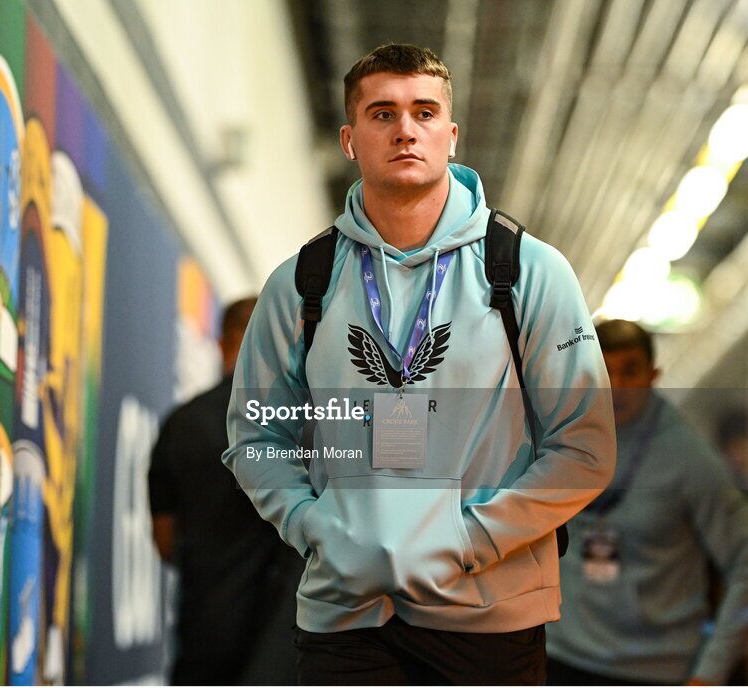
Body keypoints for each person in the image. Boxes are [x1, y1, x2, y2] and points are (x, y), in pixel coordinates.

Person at [223, 44, 616, 685]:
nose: (405, 129)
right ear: (350, 139)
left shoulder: (528, 272)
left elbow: (585, 447)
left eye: (423, 112)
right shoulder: (302, 282)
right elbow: (256, 433)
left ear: (451, 135)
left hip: (491, 616)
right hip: (346, 618)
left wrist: (470, 542)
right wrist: (310, 524)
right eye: (383, 114)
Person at [546, 319, 748, 686]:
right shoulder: (559, 436)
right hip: (560, 657)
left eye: (630, 371)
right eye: (604, 370)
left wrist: (710, 673)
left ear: (653, 374)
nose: (616, 386)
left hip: (654, 670)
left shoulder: (691, 461)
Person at [149, 297, 302, 685]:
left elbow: (166, 541)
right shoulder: (303, 425)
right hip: (279, 646)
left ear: (222, 342)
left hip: (203, 634)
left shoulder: (181, 424)